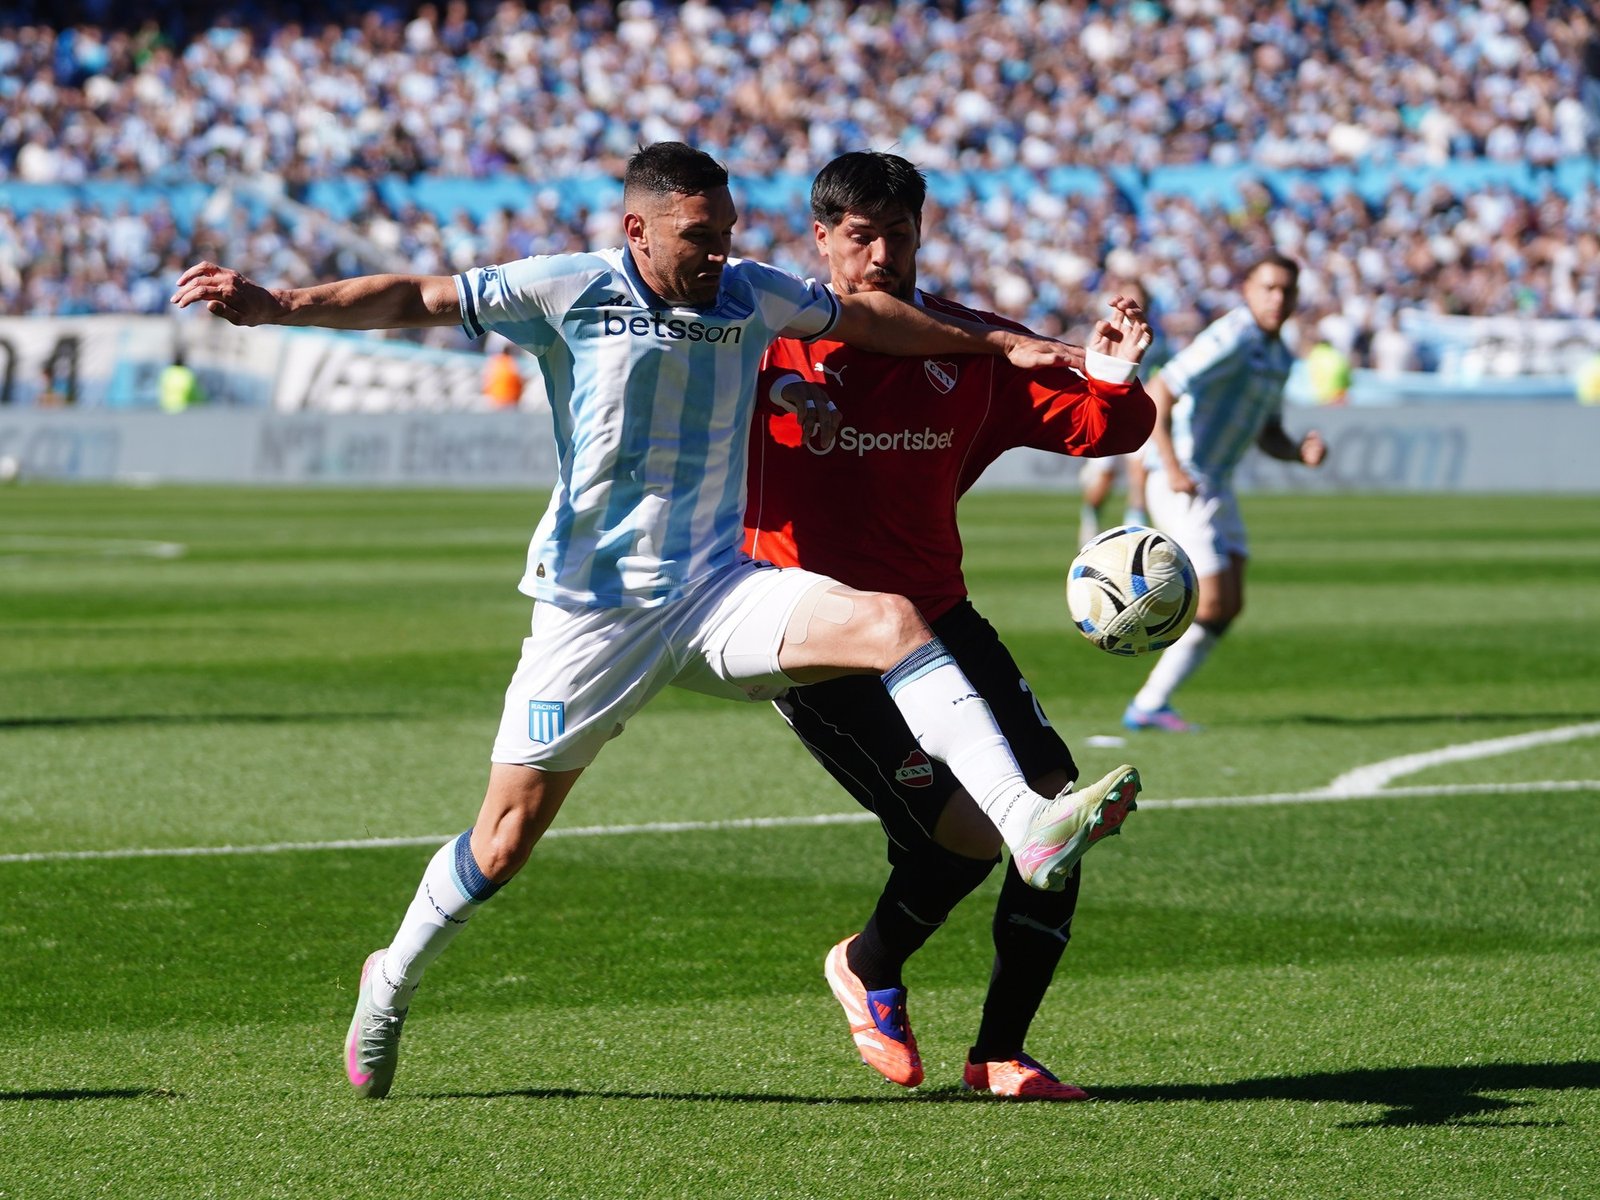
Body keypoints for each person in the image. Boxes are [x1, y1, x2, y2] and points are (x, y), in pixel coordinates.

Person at [170, 141, 1144, 1100]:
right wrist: (281, 304)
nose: (717, 251)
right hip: (592, 617)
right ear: (636, 229)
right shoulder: (567, 289)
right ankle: (389, 981)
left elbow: (872, 321)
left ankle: (1029, 825)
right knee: (502, 844)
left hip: (720, 591)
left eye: (725, 232)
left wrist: (1016, 344)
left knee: (891, 621)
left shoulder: (751, 294)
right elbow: (421, 297)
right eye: (696, 235)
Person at [744, 152, 1155, 1099]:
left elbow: (1102, 429)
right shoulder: (766, 340)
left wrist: (1118, 379)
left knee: (1055, 804)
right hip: (814, 630)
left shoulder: (971, 344)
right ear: (822, 239)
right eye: (861, 236)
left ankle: (1000, 1053)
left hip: (939, 615)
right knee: (968, 832)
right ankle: (868, 962)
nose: (883, 252)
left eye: (900, 233)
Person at [1123, 250, 1328, 733]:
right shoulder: (1233, 334)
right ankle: (1148, 698)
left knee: (1230, 604)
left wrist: (1299, 451)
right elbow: (1160, 389)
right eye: (1268, 288)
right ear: (1247, 291)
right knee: (1213, 601)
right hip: (1185, 479)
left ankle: (1152, 703)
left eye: (1286, 290)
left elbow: (1268, 432)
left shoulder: (1278, 353)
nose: (1277, 298)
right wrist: (1171, 466)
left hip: (1216, 484)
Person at [1077, 275, 1166, 547]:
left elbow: (1161, 380)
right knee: (1104, 478)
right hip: (1106, 411)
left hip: (1139, 414)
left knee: (1139, 474)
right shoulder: (1104, 336)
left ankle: (1134, 539)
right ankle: (1090, 515)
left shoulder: (1158, 345)